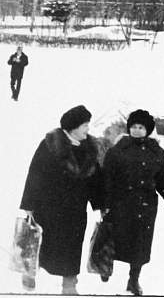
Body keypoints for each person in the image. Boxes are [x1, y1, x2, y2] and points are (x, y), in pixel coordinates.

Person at [19, 105, 105, 295]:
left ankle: (69, 286)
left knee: (73, 247)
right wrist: (29, 205)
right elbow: (35, 174)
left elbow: (96, 180)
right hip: (49, 207)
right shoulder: (50, 145)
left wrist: (100, 204)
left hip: (75, 210)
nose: (88, 129)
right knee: (40, 242)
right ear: (73, 127)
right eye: (84, 125)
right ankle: (29, 273)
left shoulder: (90, 148)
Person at [103, 109, 164, 297]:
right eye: (133, 127)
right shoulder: (118, 150)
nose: (136, 130)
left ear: (148, 130)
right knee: (114, 238)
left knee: (140, 245)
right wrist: (105, 202)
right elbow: (107, 178)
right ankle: (105, 267)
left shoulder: (157, 152)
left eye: (141, 127)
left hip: (145, 205)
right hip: (121, 203)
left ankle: (134, 279)